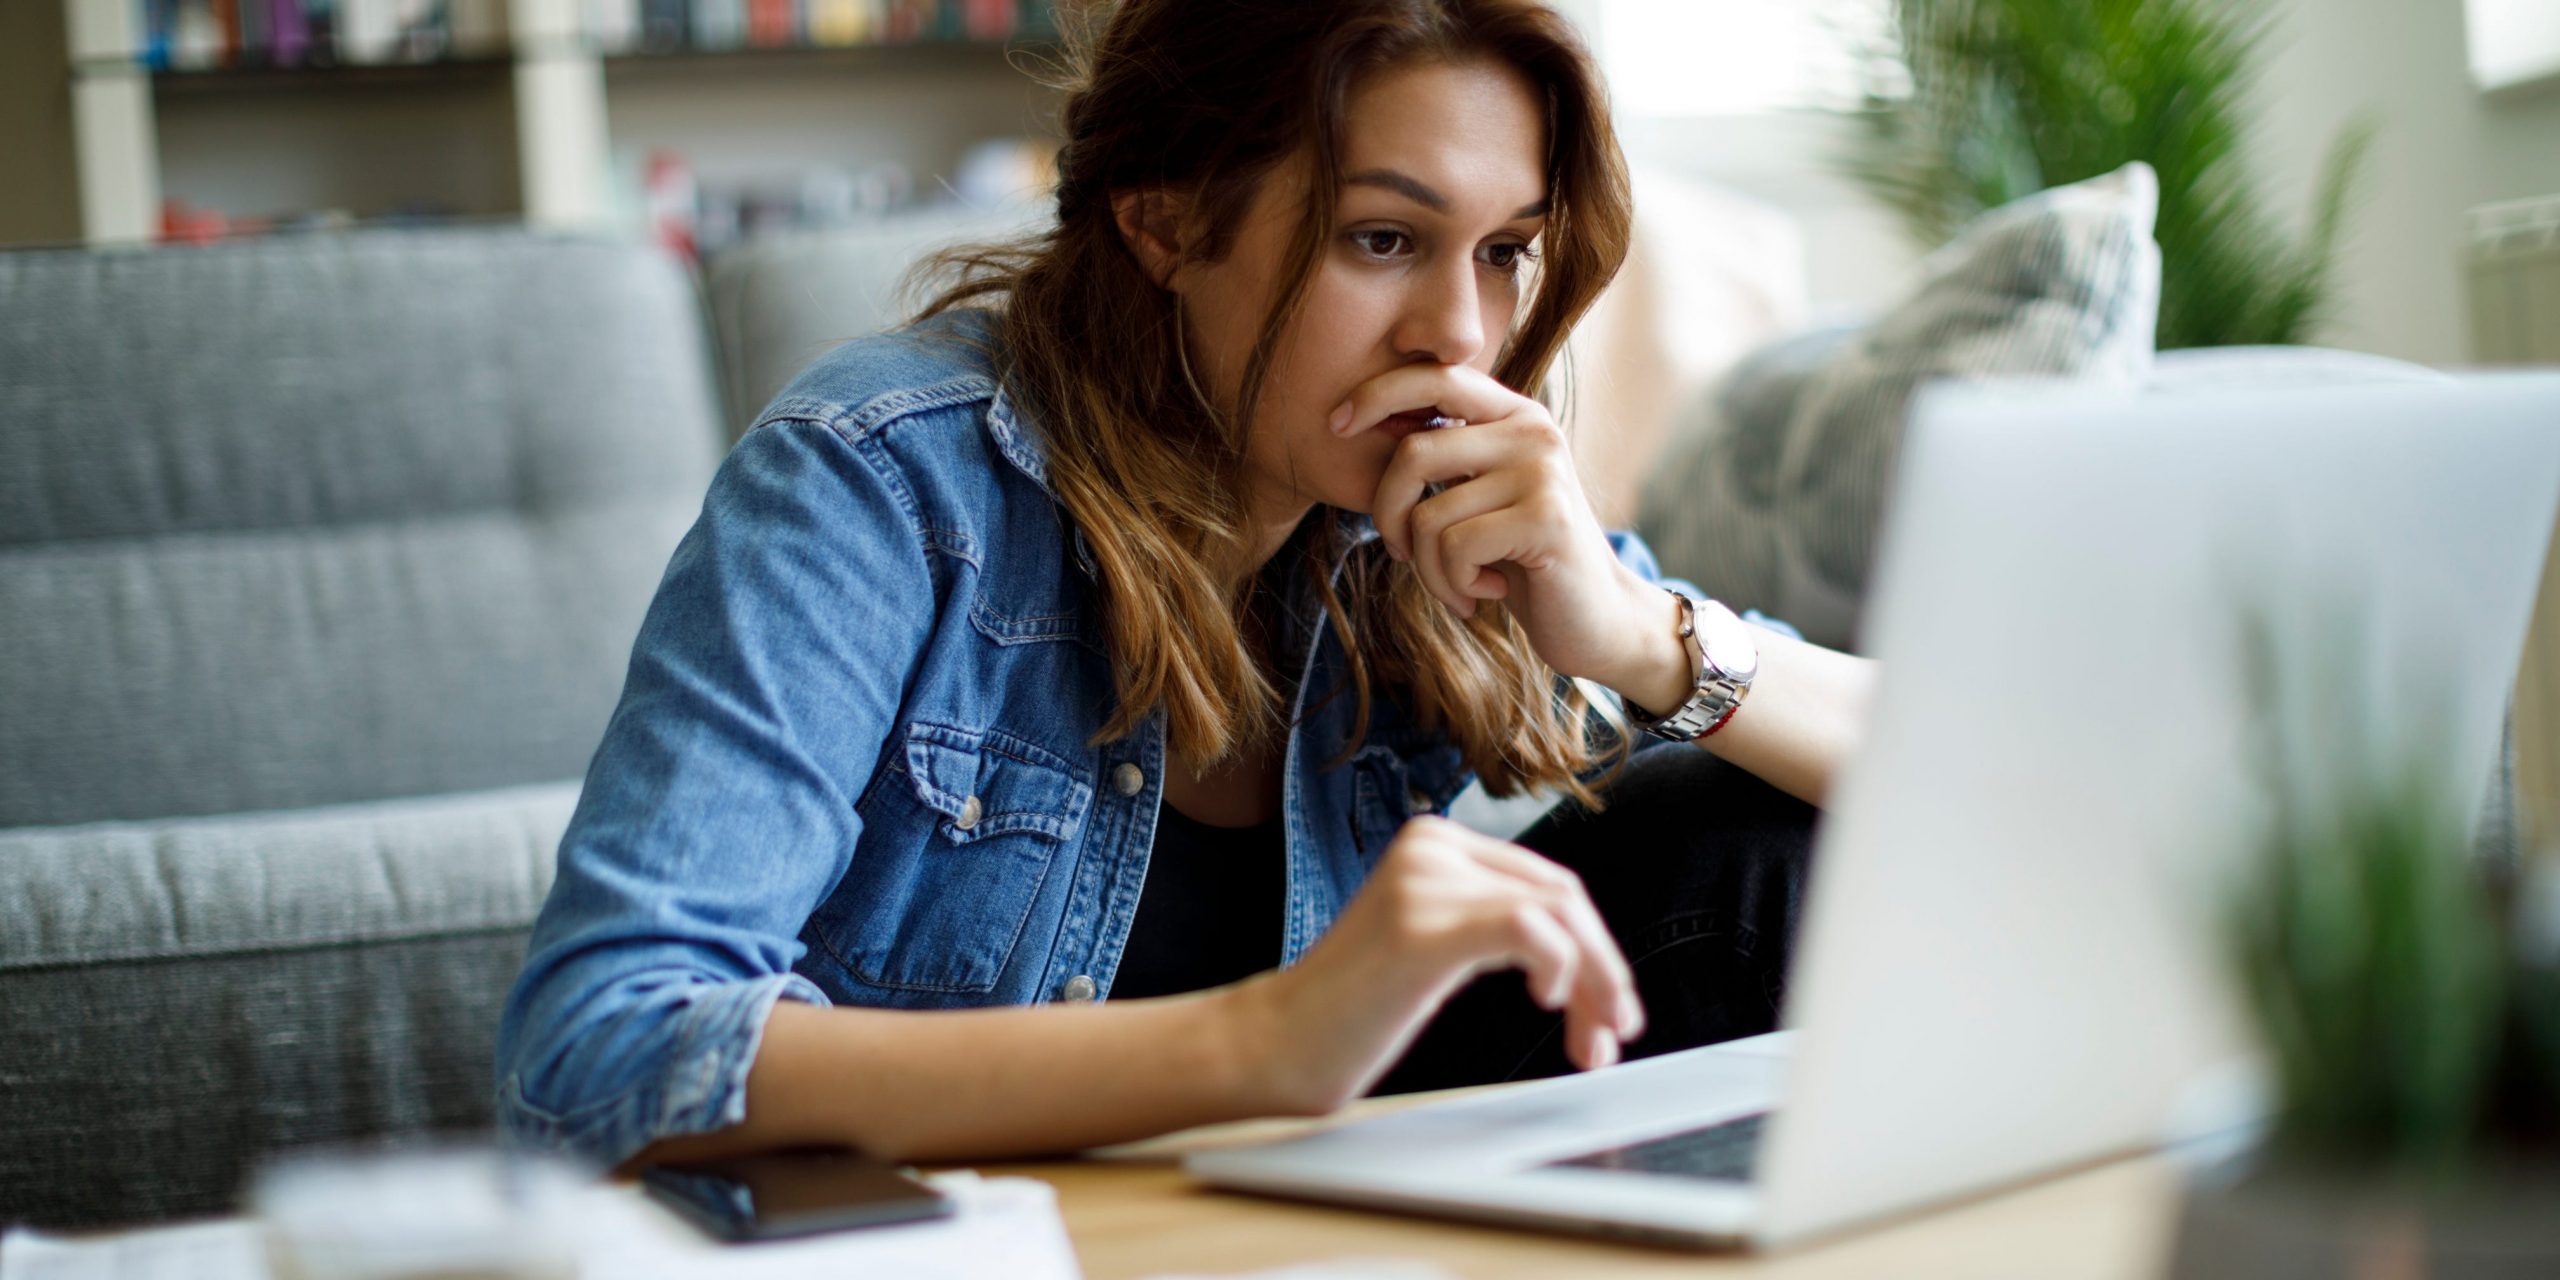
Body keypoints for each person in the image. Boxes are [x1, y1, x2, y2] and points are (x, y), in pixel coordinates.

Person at [493, 0, 1879, 1172]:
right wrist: (1268, 1043)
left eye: (1504, 252)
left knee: (1752, 834)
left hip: (1287, 1216)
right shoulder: (882, 481)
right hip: (985, 1234)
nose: (1461, 331)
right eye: (1381, 240)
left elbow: (1957, 777)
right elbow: (601, 1045)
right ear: (1164, 218)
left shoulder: (1412, 518)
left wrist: (1642, 637)